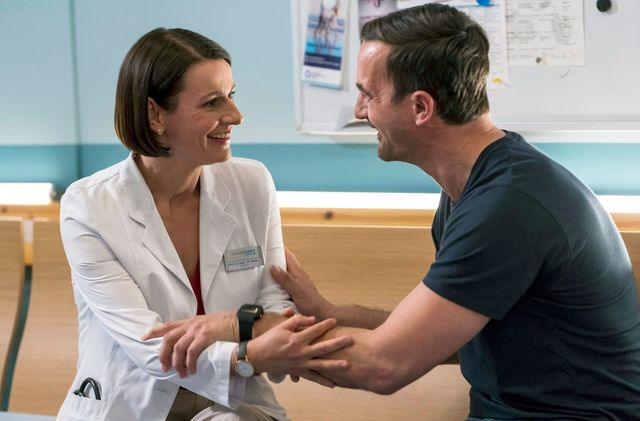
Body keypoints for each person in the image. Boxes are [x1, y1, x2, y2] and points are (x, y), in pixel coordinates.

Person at [268, 4, 640, 420]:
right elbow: (438, 334)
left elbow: (384, 365)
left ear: (421, 108)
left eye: (368, 95)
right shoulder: (476, 186)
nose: (359, 111)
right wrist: (329, 314)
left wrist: (246, 339)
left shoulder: (506, 206)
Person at [58, 27, 351, 421]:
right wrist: (249, 353)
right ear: (155, 115)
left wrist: (244, 333)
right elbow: (149, 346)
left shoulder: (252, 183)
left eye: (231, 95)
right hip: (130, 405)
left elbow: (276, 312)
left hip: (234, 403)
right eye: (212, 102)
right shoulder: (89, 207)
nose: (235, 116)